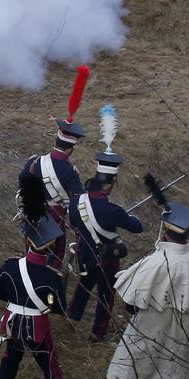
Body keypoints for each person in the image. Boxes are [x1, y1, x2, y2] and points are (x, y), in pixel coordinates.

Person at [97, 199, 189, 379]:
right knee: (173, 353)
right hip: (183, 321)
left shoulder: (156, 261)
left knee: (138, 349)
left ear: (166, 233)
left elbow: (131, 300)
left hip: (152, 318)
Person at [0, 175, 68, 379]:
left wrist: (15, 298)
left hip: (11, 322)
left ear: (29, 241)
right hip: (37, 328)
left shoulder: (11, 266)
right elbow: (59, 308)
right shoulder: (52, 276)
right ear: (51, 247)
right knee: (50, 367)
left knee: (11, 358)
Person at [68, 132, 143, 341]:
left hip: (85, 253)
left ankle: (73, 317)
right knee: (106, 295)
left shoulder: (76, 202)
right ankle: (97, 332)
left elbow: (74, 223)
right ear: (109, 185)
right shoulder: (113, 210)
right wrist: (127, 216)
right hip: (106, 258)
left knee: (83, 287)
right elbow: (137, 227)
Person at [18, 118, 87, 264]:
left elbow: (23, 180)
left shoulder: (33, 162)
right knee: (54, 259)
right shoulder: (70, 172)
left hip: (33, 216)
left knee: (32, 255)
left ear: (54, 143)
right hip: (55, 220)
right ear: (70, 149)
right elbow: (78, 200)